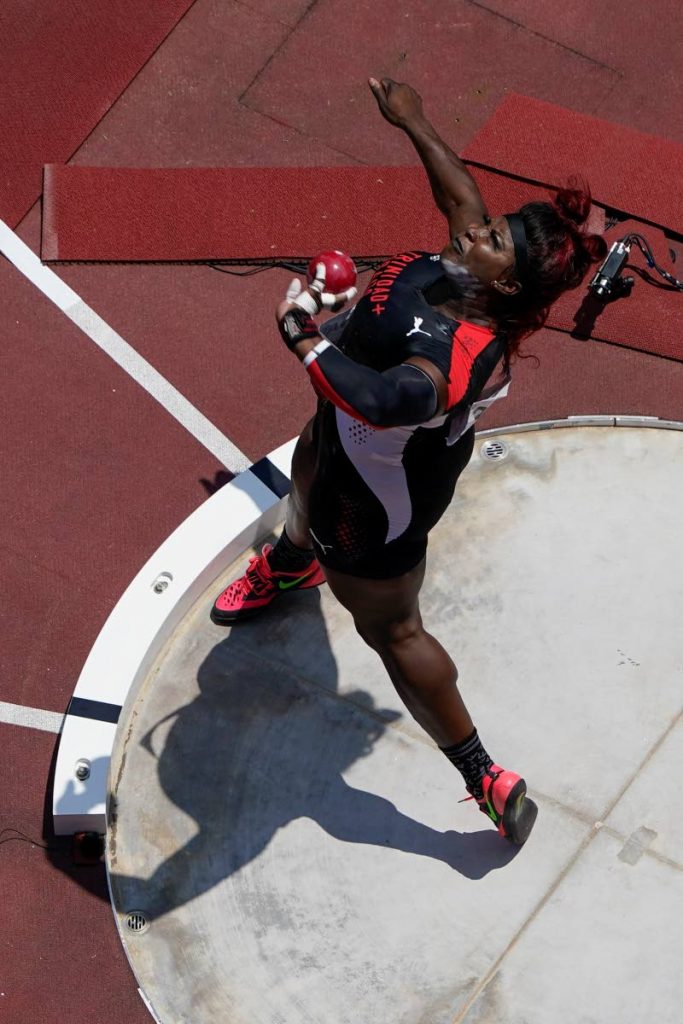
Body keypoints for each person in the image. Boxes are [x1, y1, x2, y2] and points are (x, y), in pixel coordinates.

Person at [211, 78, 607, 845]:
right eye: (488, 225)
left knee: (393, 633)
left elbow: (387, 402)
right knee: (306, 474)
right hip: (336, 443)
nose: (475, 231)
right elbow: (459, 194)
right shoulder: (467, 266)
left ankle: (482, 776)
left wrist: (305, 335)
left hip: (376, 508)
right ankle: (294, 562)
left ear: (509, 284)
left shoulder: (466, 358)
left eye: (492, 240)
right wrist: (415, 121)